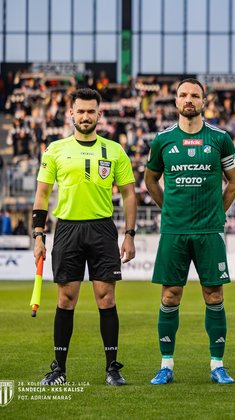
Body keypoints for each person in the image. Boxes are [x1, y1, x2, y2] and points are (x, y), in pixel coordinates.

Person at [33, 88, 137, 386]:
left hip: (102, 228)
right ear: (71, 114)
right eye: (81, 111)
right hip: (67, 229)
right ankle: (59, 369)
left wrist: (129, 234)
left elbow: (129, 194)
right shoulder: (55, 150)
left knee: (106, 298)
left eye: (91, 111)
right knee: (66, 299)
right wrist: (38, 235)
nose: (86, 116)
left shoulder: (114, 150)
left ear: (99, 115)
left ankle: (112, 368)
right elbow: (42, 194)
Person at [145, 78, 235, 385]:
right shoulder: (162, 140)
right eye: (183, 95)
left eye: (195, 95)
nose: (189, 99)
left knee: (214, 295)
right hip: (174, 231)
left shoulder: (220, 138)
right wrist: (168, 209)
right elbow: (150, 180)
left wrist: (218, 212)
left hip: (209, 231)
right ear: (176, 101)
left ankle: (217, 365)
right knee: (170, 295)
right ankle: (166, 365)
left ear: (204, 101)